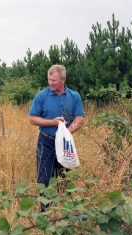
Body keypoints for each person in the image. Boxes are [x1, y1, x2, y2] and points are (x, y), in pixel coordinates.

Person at [29, 64, 85, 203]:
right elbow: (32, 119)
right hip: (46, 142)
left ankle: (63, 214)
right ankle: (44, 215)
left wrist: (66, 132)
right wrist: (53, 123)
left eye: (53, 80)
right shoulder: (41, 96)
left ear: (63, 80)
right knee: (44, 180)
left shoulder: (74, 96)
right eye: (49, 79)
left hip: (65, 143)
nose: (50, 83)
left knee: (64, 179)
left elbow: (79, 118)